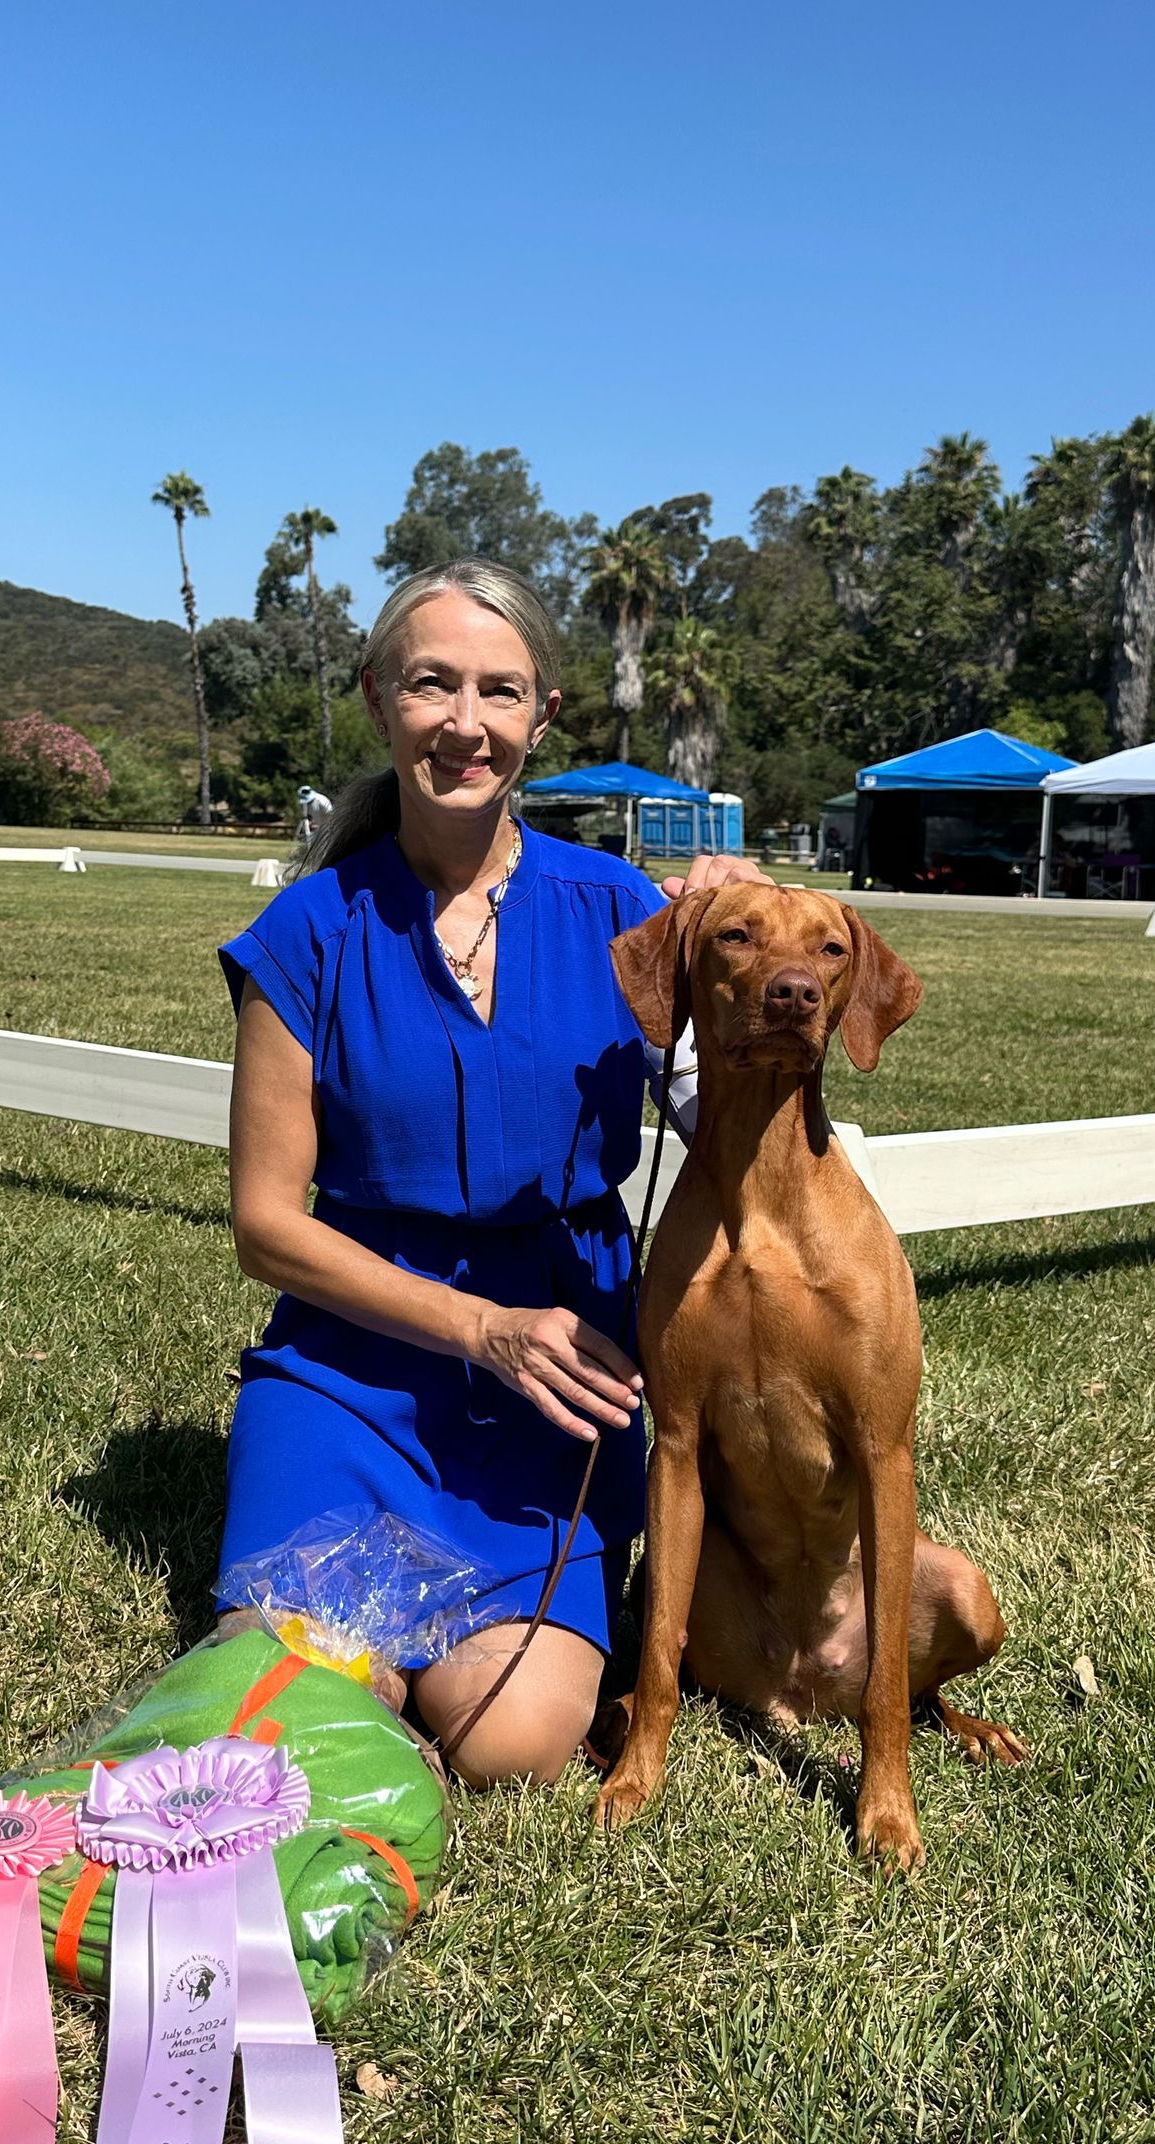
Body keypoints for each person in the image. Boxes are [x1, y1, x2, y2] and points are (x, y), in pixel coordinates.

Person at [217, 559, 764, 1787]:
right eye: (432, 685)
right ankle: (337, 1651)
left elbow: (724, 1125)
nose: (466, 724)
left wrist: (742, 937)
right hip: (349, 1375)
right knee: (289, 1706)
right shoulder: (305, 932)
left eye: (499, 693)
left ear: (542, 717)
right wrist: (478, 1327)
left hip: (564, 1382)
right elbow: (264, 1225)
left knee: (512, 1743)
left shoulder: (626, 912)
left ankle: (410, 1659)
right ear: (377, 700)